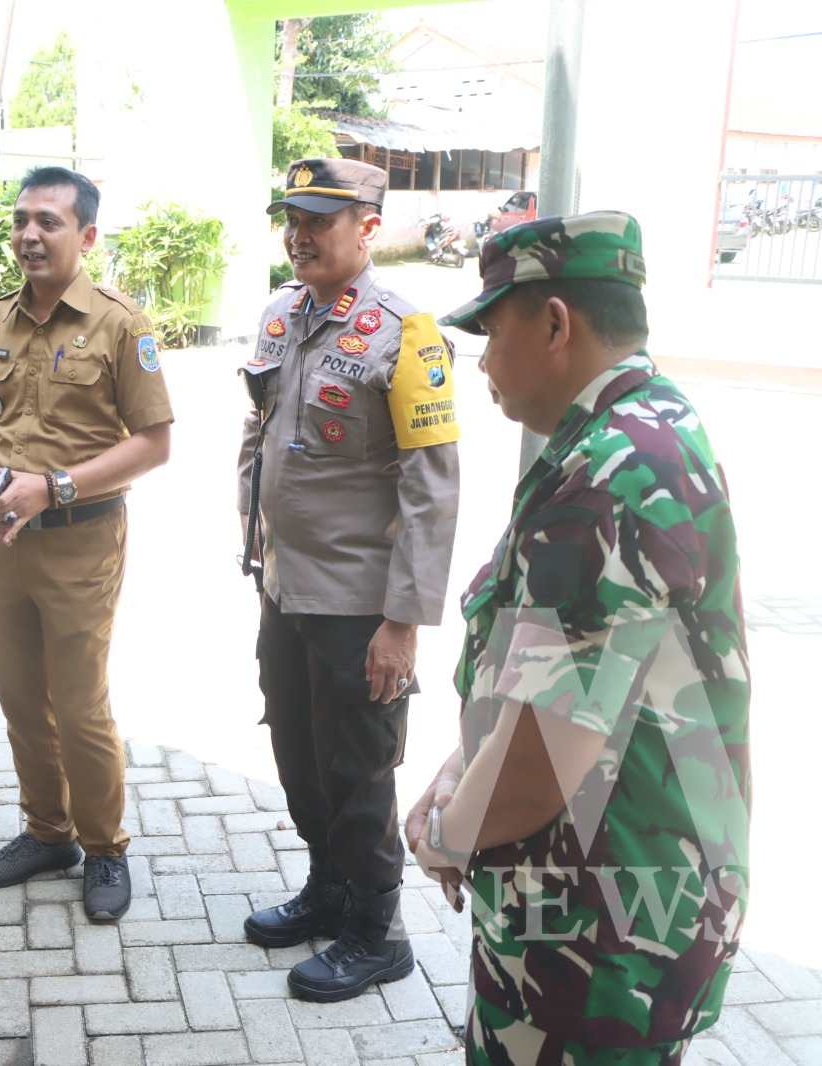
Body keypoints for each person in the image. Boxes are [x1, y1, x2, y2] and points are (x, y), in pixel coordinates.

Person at [408, 211, 750, 1065]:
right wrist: (458, 772)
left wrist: (448, 833)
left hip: (596, 940)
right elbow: (546, 667)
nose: (481, 360)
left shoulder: (608, 475)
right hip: (614, 901)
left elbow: (547, 749)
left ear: (554, 324)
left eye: (491, 330)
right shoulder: (636, 431)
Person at [237, 157, 461, 1002]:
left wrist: (402, 621)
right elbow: (258, 437)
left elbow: (432, 487)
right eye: (291, 218)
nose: (299, 235)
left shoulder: (406, 333)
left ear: (367, 228)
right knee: (297, 752)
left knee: (359, 769)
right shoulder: (281, 314)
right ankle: (327, 890)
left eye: (319, 221)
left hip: (360, 606)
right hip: (286, 588)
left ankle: (379, 931)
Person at [0, 165, 172, 923]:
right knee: (20, 698)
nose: (29, 235)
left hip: (82, 541)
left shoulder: (120, 325)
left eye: (48, 221)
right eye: (21, 220)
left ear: (86, 236)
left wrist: (55, 488)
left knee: (79, 706)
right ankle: (48, 833)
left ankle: (105, 846)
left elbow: (154, 444)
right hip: (3, 544)